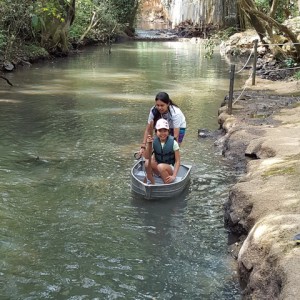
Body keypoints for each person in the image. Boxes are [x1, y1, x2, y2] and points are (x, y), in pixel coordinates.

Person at [139, 92, 186, 157]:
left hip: (178, 127)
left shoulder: (175, 113)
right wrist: (143, 146)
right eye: (157, 105)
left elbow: (176, 136)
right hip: (162, 125)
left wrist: (173, 150)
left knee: (169, 148)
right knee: (158, 146)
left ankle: (172, 162)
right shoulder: (154, 111)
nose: (159, 108)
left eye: (162, 105)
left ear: (168, 104)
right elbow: (148, 130)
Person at [143, 118, 180, 185]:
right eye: (160, 131)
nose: (162, 133)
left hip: (169, 169)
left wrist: (174, 176)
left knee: (161, 166)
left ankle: (167, 184)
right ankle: (152, 182)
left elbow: (178, 161)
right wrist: (148, 144)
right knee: (147, 163)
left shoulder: (174, 143)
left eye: (165, 131)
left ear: (168, 131)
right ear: (156, 132)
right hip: (158, 167)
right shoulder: (153, 142)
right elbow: (146, 157)